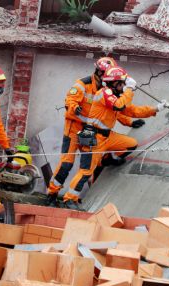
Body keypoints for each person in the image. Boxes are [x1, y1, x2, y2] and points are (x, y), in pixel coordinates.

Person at [62, 66, 169, 210]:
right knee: (86, 171)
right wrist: (130, 89)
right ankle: (69, 199)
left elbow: (132, 110)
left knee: (131, 144)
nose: (124, 86)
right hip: (95, 137)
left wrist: (156, 109)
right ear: (114, 83)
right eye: (122, 84)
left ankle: (108, 159)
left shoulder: (115, 95)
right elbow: (119, 106)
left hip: (107, 136)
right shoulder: (104, 92)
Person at [46, 58, 144, 207]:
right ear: (98, 71)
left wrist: (130, 122)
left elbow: (115, 110)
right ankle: (52, 194)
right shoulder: (82, 84)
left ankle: (73, 195)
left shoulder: (110, 91)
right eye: (106, 73)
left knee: (88, 166)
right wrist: (74, 107)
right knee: (66, 164)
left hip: (91, 132)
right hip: (74, 129)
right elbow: (70, 100)